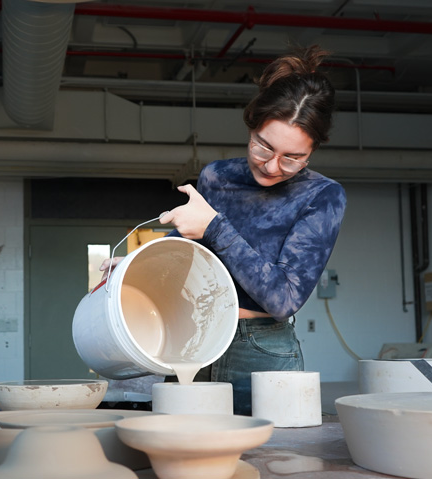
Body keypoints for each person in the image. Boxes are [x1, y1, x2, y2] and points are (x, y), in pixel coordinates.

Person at [101, 45, 347, 415]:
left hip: (262, 349)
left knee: (273, 462)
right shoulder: (217, 176)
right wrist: (136, 265)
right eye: (263, 147)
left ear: (312, 152)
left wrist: (215, 226)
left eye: (293, 158)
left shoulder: (323, 196)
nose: (273, 166)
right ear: (251, 125)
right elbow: (192, 246)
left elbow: (283, 299)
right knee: (184, 451)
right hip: (193, 334)